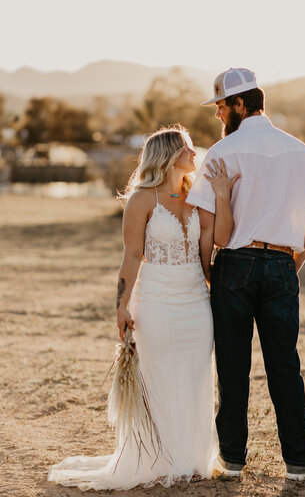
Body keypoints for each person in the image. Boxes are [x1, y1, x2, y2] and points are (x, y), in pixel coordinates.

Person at [48, 125, 237, 490]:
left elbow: (209, 250)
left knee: (196, 377)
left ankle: (192, 458)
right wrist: (120, 307)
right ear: (168, 154)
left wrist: (223, 197)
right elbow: (132, 257)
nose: (194, 153)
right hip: (155, 301)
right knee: (159, 378)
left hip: (196, 301)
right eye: (186, 149)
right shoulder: (141, 200)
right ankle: (156, 459)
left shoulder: (197, 194)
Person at [186, 68, 305, 482]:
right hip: (282, 263)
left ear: (240, 105)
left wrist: (208, 273)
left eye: (222, 106)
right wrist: (287, 265)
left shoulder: (221, 153)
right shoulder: (298, 150)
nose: (217, 115)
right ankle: (300, 462)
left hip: (234, 265)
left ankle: (230, 460)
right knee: (285, 366)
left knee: (232, 365)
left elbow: (207, 228)